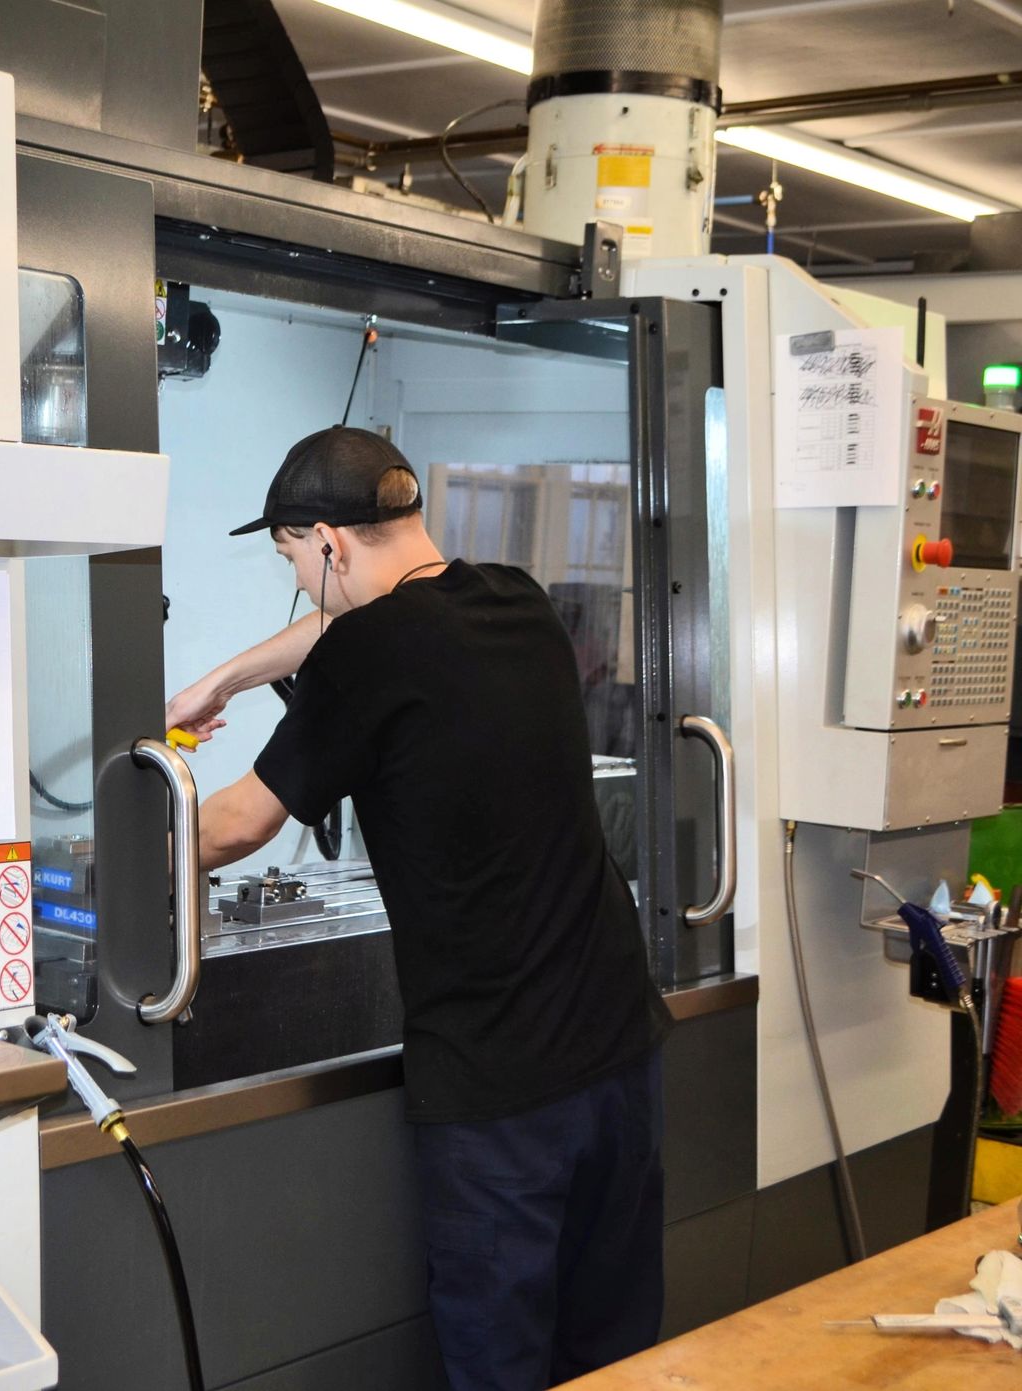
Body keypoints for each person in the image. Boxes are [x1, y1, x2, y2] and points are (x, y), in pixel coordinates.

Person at [167, 426, 671, 1391]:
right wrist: (223, 679)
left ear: (329, 541)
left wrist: (106, 858)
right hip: (620, 1056)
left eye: (294, 563)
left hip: (503, 1091)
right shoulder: (516, 600)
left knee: (504, 1368)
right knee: (616, 1359)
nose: (305, 590)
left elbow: (233, 827)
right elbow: (350, 625)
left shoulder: (368, 653)